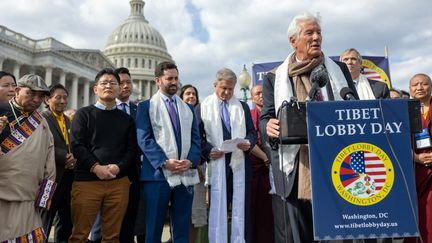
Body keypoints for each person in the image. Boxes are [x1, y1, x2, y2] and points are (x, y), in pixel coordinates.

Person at [260, 13, 358, 242]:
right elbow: (265, 117)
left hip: (338, 164)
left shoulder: (339, 71)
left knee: (337, 235)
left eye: (319, 33)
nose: (316, 38)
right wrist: (269, 126)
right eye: (309, 33)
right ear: (293, 41)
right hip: (296, 169)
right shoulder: (275, 78)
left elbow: (351, 106)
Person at [69, 68, 138, 243]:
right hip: (87, 181)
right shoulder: (83, 114)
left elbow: (131, 150)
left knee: (112, 236)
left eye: (113, 83)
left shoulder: (127, 119)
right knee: (79, 235)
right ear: (95, 89)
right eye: (104, 83)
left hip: (118, 182)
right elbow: (77, 145)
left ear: (118, 88)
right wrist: (96, 168)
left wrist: (118, 167)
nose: (108, 86)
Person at [136, 61, 201, 243]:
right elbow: (144, 139)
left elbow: (196, 140)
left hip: (185, 173)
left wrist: (191, 160)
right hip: (157, 176)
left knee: (181, 227)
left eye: (176, 78)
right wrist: (165, 162)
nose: (174, 82)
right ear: (158, 80)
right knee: (154, 227)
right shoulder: (146, 106)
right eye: (169, 78)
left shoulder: (187, 108)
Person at [197, 68, 257, 243]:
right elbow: (196, 137)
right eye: (223, 88)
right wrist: (208, 150)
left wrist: (248, 143)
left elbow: (252, 133)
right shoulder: (203, 107)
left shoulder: (242, 106)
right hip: (217, 165)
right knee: (217, 209)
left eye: (231, 89)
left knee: (242, 210)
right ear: (215, 85)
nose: (227, 92)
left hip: (239, 165)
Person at [88, 67, 141, 243]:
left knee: (127, 224)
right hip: (101, 174)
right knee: (99, 226)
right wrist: (100, 168)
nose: (125, 86)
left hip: (130, 174)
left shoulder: (138, 110)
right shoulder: (96, 112)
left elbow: (135, 146)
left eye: (128, 82)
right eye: (122, 82)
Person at [0, 74, 56, 242]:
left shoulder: (42, 122)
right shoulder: (1, 111)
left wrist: (43, 198)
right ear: (17, 91)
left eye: (41, 95)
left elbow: (49, 162)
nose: (36, 99)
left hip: (29, 198)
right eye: (31, 93)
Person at [41, 84, 76, 243]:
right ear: (47, 100)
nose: (63, 101)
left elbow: (74, 145)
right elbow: (41, 145)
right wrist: (64, 157)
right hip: (49, 178)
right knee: (45, 218)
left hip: (68, 178)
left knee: (66, 219)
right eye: (58, 98)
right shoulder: (42, 119)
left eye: (65, 98)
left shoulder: (69, 120)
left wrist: (74, 158)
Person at [180, 84, 208, 243]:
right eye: (187, 94)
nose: (191, 96)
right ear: (181, 96)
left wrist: (197, 165)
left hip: (197, 170)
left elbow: (203, 142)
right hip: (177, 169)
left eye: (194, 94)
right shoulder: (175, 116)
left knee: (196, 213)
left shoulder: (202, 116)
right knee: (180, 212)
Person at [249, 84, 275, 243]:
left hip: (274, 168)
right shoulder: (250, 115)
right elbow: (249, 140)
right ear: (252, 98)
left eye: (262, 93)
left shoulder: (274, 113)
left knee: (271, 212)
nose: (260, 96)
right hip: (256, 169)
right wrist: (265, 158)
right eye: (257, 93)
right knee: (255, 211)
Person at [407, 73, 432, 243]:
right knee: (415, 213)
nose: (420, 88)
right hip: (413, 169)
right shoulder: (403, 110)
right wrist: (414, 157)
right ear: (410, 89)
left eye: (424, 84)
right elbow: (396, 140)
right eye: (415, 85)